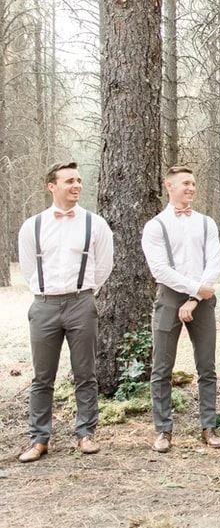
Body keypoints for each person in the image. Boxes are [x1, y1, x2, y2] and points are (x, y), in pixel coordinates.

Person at [16, 161, 114, 463]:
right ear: (52, 186)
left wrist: (83, 292)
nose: (77, 186)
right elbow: (29, 268)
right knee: (42, 376)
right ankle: (39, 439)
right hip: (44, 305)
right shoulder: (32, 226)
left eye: (79, 180)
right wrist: (47, 292)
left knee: (85, 373)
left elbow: (104, 265)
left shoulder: (95, 224)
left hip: (81, 303)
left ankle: (86, 434)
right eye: (70, 180)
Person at [141, 166, 220, 452]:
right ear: (169, 186)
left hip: (202, 300)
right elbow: (160, 270)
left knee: (207, 366)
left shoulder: (206, 223)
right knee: (161, 368)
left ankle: (209, 427)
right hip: (169, 298)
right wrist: (193, 290)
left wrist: (195, 298)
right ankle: (163, 430)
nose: (191, 188)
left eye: (193, 183)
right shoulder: (156, 226)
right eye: (185, 183)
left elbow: (215, 263)